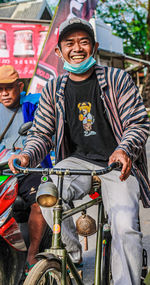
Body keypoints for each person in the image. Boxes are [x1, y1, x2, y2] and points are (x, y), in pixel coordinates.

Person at [8, 17, 150, 284]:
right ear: (59, 52)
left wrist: (124, 150)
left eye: (83, 42)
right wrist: (27, 155)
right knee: (46, 195)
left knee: (124, 227)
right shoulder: (52, 89)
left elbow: (138, 123)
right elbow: (41, 134)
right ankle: (70, 256)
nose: (77, 48)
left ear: (94, 47)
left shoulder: (117, 79)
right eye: (69, 43)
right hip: (75, 163)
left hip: (116, 165)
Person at [0, 65, 48, 273]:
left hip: (31, 171)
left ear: (20, 86)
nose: (4, 94)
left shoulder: (33, 105)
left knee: (43, 200)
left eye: (8, 88)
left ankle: (32, 255)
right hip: (3, 171)